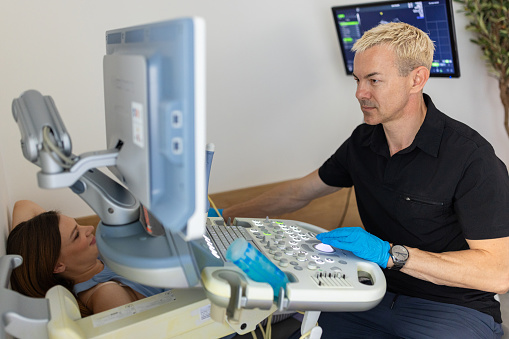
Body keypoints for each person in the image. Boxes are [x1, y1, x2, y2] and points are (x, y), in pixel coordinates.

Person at [222, 22, 509, 338]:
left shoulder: (472, 158)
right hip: (371, 293)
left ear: (417, 79)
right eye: (358, 80)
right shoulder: (363, 141)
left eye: (374, 80)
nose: (360, 93)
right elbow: (299, 192)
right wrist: (225, 216)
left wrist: (391, 254)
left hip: (452, 308)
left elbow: (497, 273)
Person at [7, 200, 166, 317]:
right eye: (76, 235)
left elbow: (23, 206)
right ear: (58, 266)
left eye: (77, 224)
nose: (89, 228)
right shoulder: (107, 293)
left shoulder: (88, 260)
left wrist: (26, 260)